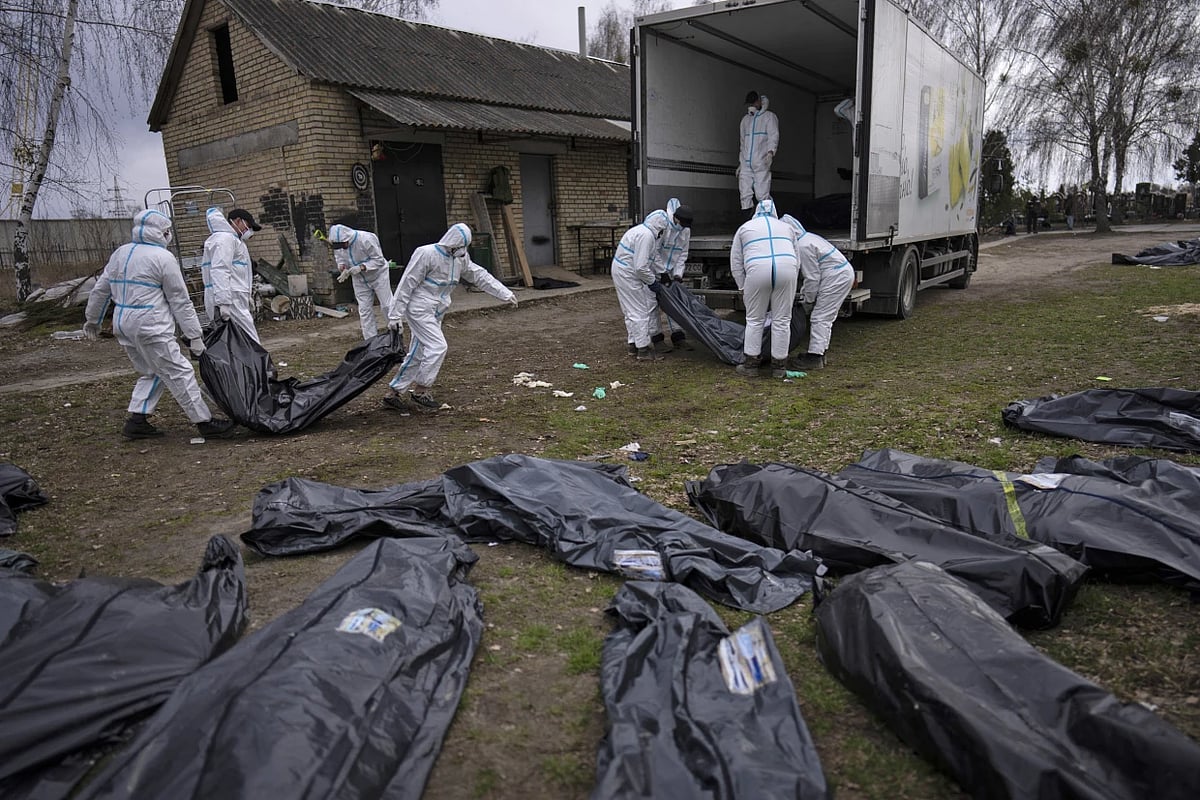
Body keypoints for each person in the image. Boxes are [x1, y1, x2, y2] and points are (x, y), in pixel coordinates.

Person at [83, 209, 236, 440]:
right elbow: (180, 301)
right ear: (162, 232)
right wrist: (194, 336)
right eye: (167, 232)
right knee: (179, 371)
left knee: (151, 371)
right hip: (150, 325)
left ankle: (137, 420)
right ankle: (205, 422)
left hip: (124, 325)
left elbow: (101, 290)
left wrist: (92, 320)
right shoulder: (162, 258)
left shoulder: (121, 253)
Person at [382, 223, 517, 411]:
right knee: (437, 346)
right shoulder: (427, 253)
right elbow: (407, 283)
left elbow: (479, 275)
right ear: (451, 242)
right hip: (420, 308)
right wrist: (395, 314)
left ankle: (394, 392)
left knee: (419, 350)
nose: (462, 251)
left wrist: (504, 293)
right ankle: (421, 390)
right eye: (459, 247)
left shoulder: (460, 258)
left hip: (437, 309)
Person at [730, 199, 799, 377]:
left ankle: (751, 365)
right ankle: (779, 367)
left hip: (757, 269)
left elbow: (736, 261)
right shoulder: (787, 228)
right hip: (787, 268)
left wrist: (742, 285)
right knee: (782, 320)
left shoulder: (745, 228)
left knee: (754, 319)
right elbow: (797, 259)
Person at [782, 214, 854, 370]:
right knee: (825, 317)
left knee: (820, 317)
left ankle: (815, 357)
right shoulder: (808, 238)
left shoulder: (802, 246)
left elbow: (812, 278)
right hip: (839, 274)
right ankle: (819, 352)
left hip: (836, 277)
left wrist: (807, 300)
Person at [612, 210, 671, 361]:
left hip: (622, 270)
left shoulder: (642, 231)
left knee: (630, 310)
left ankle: (633, 345)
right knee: (640, 312)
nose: (662, 234)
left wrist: (662, 272)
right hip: (628, 274)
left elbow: (653, 256)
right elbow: (640, 267)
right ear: (659, 228)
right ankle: (643, 350)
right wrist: (653, 282)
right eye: (662, 231)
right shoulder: (647, 236)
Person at [203, 206, 262, 342]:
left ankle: (248, 363)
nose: (250, 231)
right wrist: (223, 302)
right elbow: (220, 269)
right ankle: (257, 363)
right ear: (238, 221)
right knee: (248, 339)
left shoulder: (233, 240)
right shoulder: (225, 240)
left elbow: (239, 272)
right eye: (248, 225)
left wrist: (247, 296)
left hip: (233, 296)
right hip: (230, 298)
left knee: (236, 340)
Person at [326, 223, 393, 340]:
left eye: (344, 244)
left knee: (387, 305)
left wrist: (361, 267)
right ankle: (370, 341)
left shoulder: (366, 239)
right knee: (364, 310)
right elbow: (340, 258)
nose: (343, 247)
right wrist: (342, 267)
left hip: (378, 275)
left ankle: (395, 332)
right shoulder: (340, 246)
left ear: (347, 238)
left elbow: (379, 260)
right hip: (359, 279)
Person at [650, 199, 694, 350]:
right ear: (676, 218)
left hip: (670, 272)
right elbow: (653, 251)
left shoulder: (685, 230)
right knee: (652, 304)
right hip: (653, 271)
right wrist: (661, 273)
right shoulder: (664, 227)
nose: (683, 228)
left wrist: (677, 274)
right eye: (682, 224)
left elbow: (683, 254)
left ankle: (678, 336)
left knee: (675, 303)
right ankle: (657, 339)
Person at [737, 90, 779, 211]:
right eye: (749, 104)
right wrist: (741, 163)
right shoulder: (745, 120)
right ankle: (748, 222)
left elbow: (773, 136)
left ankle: (768, 220)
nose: (751, 106)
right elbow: (743, 142)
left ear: (758, 101)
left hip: (761, 161)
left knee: (762, 194)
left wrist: (771, 152)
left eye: (753, 103)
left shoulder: (769, 117)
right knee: (744, 194)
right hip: (746, 163)